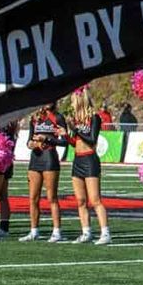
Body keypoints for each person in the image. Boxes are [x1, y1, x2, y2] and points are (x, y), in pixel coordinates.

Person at [68, 87, 112, 245]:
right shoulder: (77, 120)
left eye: (73, 100)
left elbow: (92, 139)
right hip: (77, 160)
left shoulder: (94, 118)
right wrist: (67, 134)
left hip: (90, 160)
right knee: (80, 200)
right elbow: (76, 142)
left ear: (80, 100)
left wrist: (75, 130)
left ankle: (105, 233)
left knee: (95, 200)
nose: (71, 104)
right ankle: (86, 231)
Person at [22, 103, 68, 242]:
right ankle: (34, 230)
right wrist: (33, 144)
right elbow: (29, 141)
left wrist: (47, 139)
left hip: (49, 158)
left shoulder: (58, 117)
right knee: (33, 198)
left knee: (51, 197)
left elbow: (64, 141)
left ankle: (57, 231)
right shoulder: (35, 117)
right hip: (35, 158)